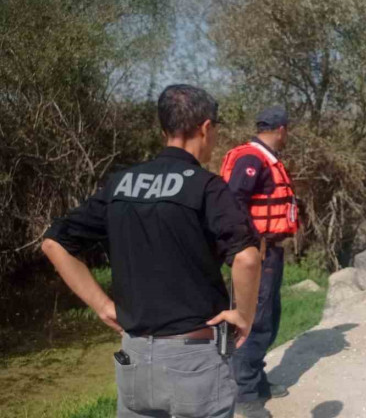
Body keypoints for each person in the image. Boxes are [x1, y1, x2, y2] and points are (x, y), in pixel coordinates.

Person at [41, 84, 262, 418]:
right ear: (205, 127)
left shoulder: (120, 183)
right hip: (194, 359)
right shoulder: (206, 186)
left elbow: (54, 242)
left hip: (133, 360)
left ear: (164, 130)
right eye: (215, 129)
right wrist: (243, 315)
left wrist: (102, 305)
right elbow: (246, 257)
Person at [220, 106, 300, 418]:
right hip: (258, 254)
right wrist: (255, 243)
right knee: (253, 321)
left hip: (269, 251)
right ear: (281, 129)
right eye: (288, 129)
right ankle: (246, 395)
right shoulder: (252, 158)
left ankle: (257, 380)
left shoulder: (263, 156)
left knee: (268, 318)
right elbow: (233, 203)